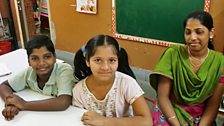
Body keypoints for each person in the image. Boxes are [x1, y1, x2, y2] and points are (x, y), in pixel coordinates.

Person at [150, 11, 224, 126]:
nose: (192, 38)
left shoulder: (219, 62)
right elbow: (162, 97)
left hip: (199, 118)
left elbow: (212, 106)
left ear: (211, 33)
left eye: (199, 32)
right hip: (169, 113)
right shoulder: (173, 54)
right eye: (188, 32)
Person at [72, 34, 152, 126]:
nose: (105, 67)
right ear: (87, 62)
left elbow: (146, 121)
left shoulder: (127, 83)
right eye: (98, 60)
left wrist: (104, 121)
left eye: (112, 60)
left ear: (118, 60)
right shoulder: (79, 91)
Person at [0, 35, 75, 121]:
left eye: (47, 57)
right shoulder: (29, 73)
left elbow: (63, 102)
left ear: (54, 58)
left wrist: (24, 104)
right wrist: (11, 103)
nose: (41, 63)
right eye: (35, 58)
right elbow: (4, 86)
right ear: (28, 61)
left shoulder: (64, 70)